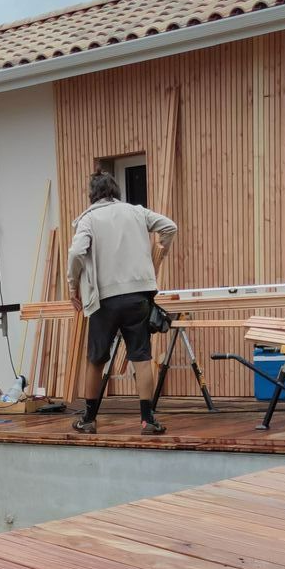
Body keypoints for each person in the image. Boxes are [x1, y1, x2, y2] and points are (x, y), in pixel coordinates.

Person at [66, 170, 178, 435]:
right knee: (141, 356)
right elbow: (169, 226)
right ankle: (147, 420)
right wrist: (160, 253)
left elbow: (77, 252)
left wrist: (73, 285)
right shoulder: (136, 212)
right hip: (138, 296)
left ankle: (89, 419)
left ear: (92, 194)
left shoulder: (88, 219)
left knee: (96, 358)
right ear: (116, 191)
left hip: (104, 300)